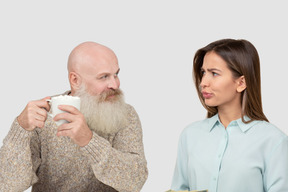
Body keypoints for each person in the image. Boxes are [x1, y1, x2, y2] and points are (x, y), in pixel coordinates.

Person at [0, 41, 148, 192]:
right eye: (104, 77)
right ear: (75, 80)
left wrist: (89, 141)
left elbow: (134, 181)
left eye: (116, 74)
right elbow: (9, 186)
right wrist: (20, 130)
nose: (115, 85)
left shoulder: (126, 114)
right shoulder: (42, 115)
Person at [170, 39, 288, 192]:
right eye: (203, 72)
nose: (203, 82)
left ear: (241, 83)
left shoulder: (273, 141)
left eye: (214, 73)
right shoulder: (190, 135)